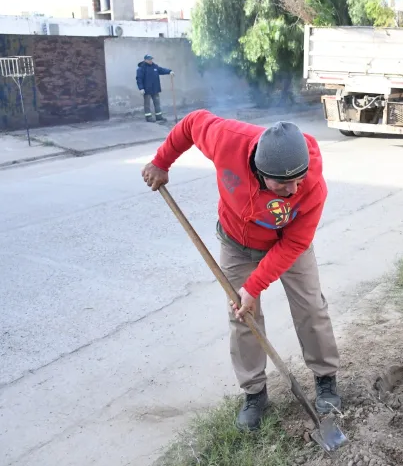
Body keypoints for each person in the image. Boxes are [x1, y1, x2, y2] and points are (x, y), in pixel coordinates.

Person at [141, 111, 341, 431]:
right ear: (261, 173)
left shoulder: (312, 186)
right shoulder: (227, 140)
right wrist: (161, 162)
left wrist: (255, 285)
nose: (292, 190)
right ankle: (255, 393)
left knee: (311, 308)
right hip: (237, 242)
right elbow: (192, 124)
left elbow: (294, 244)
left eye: (298, 180)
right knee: (242, 318)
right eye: (283, 183)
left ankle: (326, 378)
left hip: (288, 244)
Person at [136, 54, 173, 123]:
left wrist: (169, 71)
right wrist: (141, 88)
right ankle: (148, 117)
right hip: (146, 90)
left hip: (155, 89)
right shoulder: (141, 68)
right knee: (147, 104)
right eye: (149, 59)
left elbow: (162, 70)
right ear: (145, 60)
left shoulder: (154, 66)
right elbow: (139, 79)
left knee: (157, 103)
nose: (151, 61)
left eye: (151, 59)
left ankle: (159, 117)